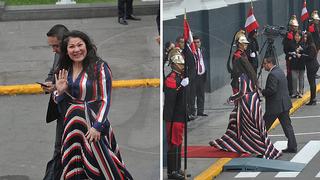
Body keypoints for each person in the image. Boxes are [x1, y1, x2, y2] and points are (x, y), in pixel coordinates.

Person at [53, 30, 133, 179]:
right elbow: (57, 98)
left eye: (80, 45)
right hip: (72, 126)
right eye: (71, 47)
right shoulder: (65, 69)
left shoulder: (99, 67)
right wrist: (60, 91)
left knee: (101, 164)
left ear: (87, 46)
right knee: (74, 166)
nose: (76, 50)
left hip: (94, 125)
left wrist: (97, 127)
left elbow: (105, 99)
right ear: (66, 50)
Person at [209, 72, 281, 159]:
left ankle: (259, 148)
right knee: (255, 127)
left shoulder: (242, 77)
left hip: (247, 103)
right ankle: (228, 143)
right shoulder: (251, 75)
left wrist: (231, 98)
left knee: (248, 128)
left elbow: (242, 92)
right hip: (254, 102)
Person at [42, 24, 69, 180]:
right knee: (59, 150)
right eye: (51, 46)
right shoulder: (58, 55)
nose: (53, 50)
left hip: (78, 113)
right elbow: (52, 74)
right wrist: (48, 84)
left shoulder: (77, 55)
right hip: (61, 111)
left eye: (56, 46)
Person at [261, 57, 297, 153]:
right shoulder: (279, 71)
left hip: (275, 106)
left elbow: (272, 90)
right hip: (284, 104)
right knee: (287, 126)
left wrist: (262, 92)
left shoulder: (272, 74)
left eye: (264, 64)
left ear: (269, 63)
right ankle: (292, 146)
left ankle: (259, 147)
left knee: (263, 126)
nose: (263, 66)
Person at [163, 48, 189, 180]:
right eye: (180, 64)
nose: (182, 66)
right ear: (174, 64)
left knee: (178, 142)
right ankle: (172, 172)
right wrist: (181, 86)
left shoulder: (179, 77)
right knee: (173, 143)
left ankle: (178, 169)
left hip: (180, 115)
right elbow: (172, 97)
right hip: (173, 116)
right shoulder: (171, 79)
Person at [230, 30, 258, 94]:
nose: (246, 45)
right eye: (244, 43)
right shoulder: (237, 56)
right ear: (239, 44)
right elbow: (238, 72)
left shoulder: (243, 54)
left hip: (245, 82)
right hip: (240, 84)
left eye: (246, 43)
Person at [283, 15, 299, 96]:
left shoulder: (296, 34)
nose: (295, 28)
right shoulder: (288, 35)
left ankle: (294, 89)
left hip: (296, 57)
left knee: (295, 74)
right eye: (294, 27)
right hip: (290, 57)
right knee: (290, 74)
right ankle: (290, 90)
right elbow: (287, 48)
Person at [302, 32, 319, 105]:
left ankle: (313, 99)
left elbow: (310, 57)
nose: (305, 38)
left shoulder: (311, 46)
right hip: (312, 66)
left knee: (312, 83)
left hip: (312, 66)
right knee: (312, 83)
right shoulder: (309, 45)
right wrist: (302, 51)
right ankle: (313, 99)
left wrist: (301, 55)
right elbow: (307, 52)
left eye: (306, 37)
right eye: (304, 37)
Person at [193, 36, 208, 116]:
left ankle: (200, 111)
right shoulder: (192, 52)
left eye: (198, 42)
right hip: (194, 76)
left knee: (201, 94)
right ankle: (192, 112)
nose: (196, 44)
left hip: (202, 75)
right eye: (194, 42)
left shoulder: (203, 50)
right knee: (193, 95)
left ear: (200, 43)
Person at [289, 30, 305, 98]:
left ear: (301, 36)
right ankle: (294, 92)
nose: (297, 37)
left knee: (301, 78)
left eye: (298, 36)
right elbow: (288, 52)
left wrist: (301, 52)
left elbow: (305, 53)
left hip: (301, 63)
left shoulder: (303, 44)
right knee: (294, 78)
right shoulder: (291, 43)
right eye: (296, 36)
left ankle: (301, 92)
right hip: (294, 63)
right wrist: (290, 56)